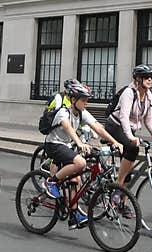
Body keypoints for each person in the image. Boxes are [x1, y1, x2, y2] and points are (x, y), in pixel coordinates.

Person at [43, 83, 124, 227]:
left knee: (76, 179)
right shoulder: (63, 112)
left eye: (87, 100)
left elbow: (98, 127)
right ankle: (51, 182)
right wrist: (79, 143)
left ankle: (73, 216)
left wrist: (115, 142)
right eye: (84, 100)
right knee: (80, 163)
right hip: (54, 145)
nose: (86, 103)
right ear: (73, 100)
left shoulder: (82, 113)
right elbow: (68, 128)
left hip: (67, 146)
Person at [104, 64, 152, 216]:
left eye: (151, 77)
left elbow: (148, 119)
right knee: (133, 149)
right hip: (115, 126)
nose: (150, 80)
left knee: (130, 167)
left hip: (129, 129)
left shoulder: (149, 95)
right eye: (146, 77)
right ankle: (118, 186)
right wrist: (130, 137)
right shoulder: (128, 93)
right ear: (138, 79)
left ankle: (122, 203)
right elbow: (124, 117)